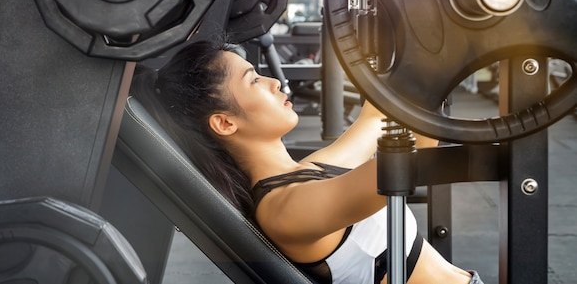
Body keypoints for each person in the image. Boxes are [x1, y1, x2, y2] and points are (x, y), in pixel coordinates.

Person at [131, 38, 484, 284]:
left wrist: (415, 43)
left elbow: (375, 118)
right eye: (254, 80)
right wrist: (439, 67)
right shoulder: (286, 210)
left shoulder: (307, 173)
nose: (274, 82)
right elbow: (412, 165)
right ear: (225, 123)